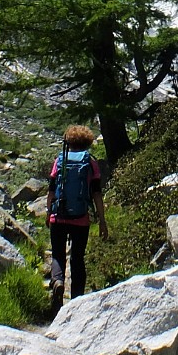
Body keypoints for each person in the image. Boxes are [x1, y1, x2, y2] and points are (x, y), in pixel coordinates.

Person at [47, 124, 109, 316]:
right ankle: (77, 303)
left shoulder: (60, 160)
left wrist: (49, 212)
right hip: (81, 218)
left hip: (59, 216)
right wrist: (102, 219)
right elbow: (96, 193)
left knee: (57, 254)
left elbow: (51, 191)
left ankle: (57, 282)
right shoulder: (91, 163)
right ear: (88, 142)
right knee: (77, 258)